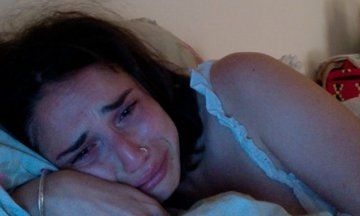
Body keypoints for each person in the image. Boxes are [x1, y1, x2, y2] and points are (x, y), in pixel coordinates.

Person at [0, 11, 359, 216]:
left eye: (126, 111)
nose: (132, 155)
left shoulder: (244, 86)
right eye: (84, 151)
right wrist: (46, 195)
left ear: (146, 85)